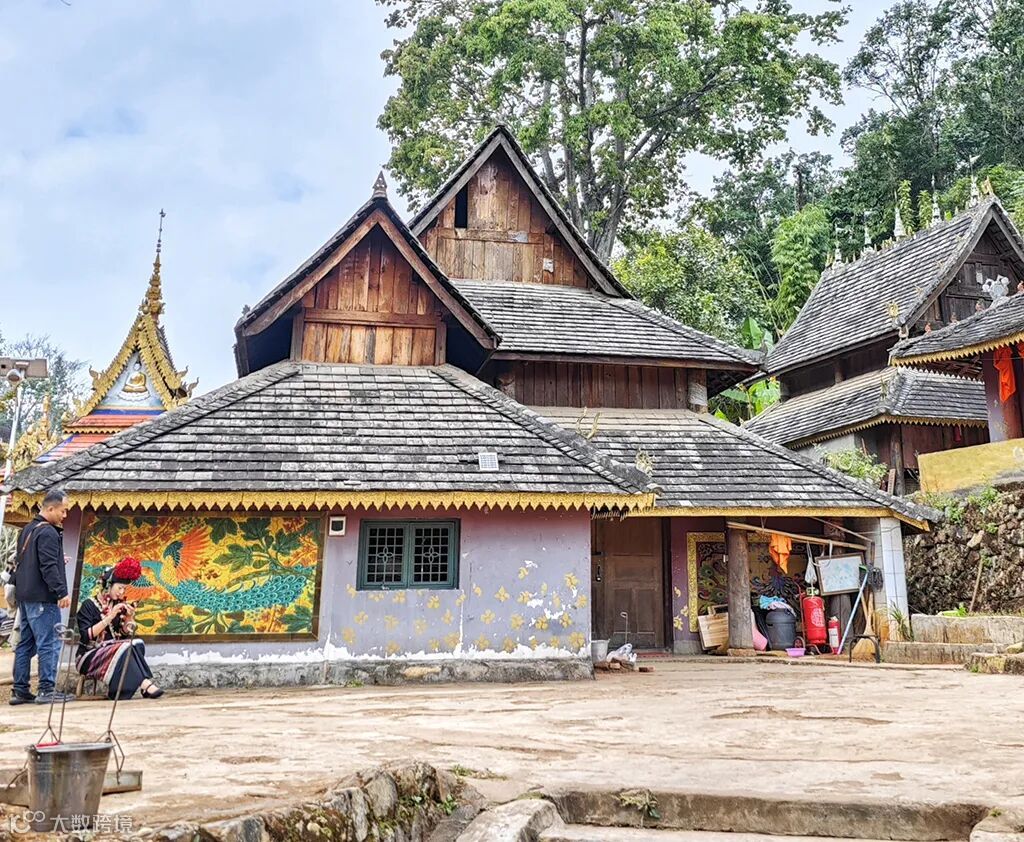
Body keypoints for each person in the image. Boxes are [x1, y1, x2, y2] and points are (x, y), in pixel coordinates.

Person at [10, 488, 73, 706]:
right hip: (43, 598)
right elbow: (47, 567)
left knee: (25, 644)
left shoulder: (28, 530)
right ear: (51, 508)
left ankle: (20, 689)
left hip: (25, 596)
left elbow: (31, 562)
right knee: (49, 643)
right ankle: (46, 689)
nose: (65, 515)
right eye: (63, 511)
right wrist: (61, 591)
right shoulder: (48, 532)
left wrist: (58, 559)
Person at [76, 557, 163, 700]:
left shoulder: (118, 604)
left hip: (114, 652)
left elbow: (121, 635)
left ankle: (131, 687)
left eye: (124, 589)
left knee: (137, 643)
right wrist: (109, 617)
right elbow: (86, 636)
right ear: (108, 586)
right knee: (126, 647)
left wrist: (129, 618)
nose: (122, 592)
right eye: (119, 588)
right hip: (89, 656)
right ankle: (145, 683)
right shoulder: (88, 605)